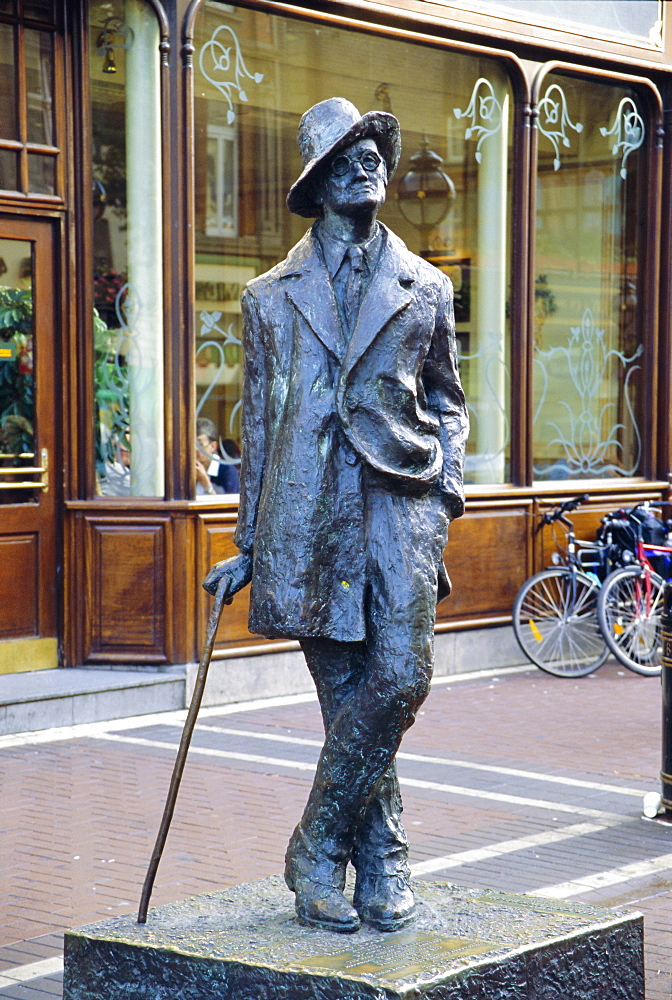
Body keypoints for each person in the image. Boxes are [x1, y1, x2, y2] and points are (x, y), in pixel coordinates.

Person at [204, 98, 468, 934]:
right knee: (346, 693)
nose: (369, 164)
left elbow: (450, 404)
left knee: (400, 677)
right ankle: (382, 863)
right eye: (348, 155)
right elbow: (262, 419)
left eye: (374, 151)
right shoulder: (267, 298)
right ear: (316, 182)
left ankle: (315, 847)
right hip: (308, 517)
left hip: (402, 506)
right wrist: (249, 545)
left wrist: (446, 496)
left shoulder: (427, 286)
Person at [196, 417, 240, 494]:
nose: (195, 449)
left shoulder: (228, 471)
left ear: (213, 446)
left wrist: (206, 483)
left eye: (200, 445)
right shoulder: (187, 470)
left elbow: (229, 505)